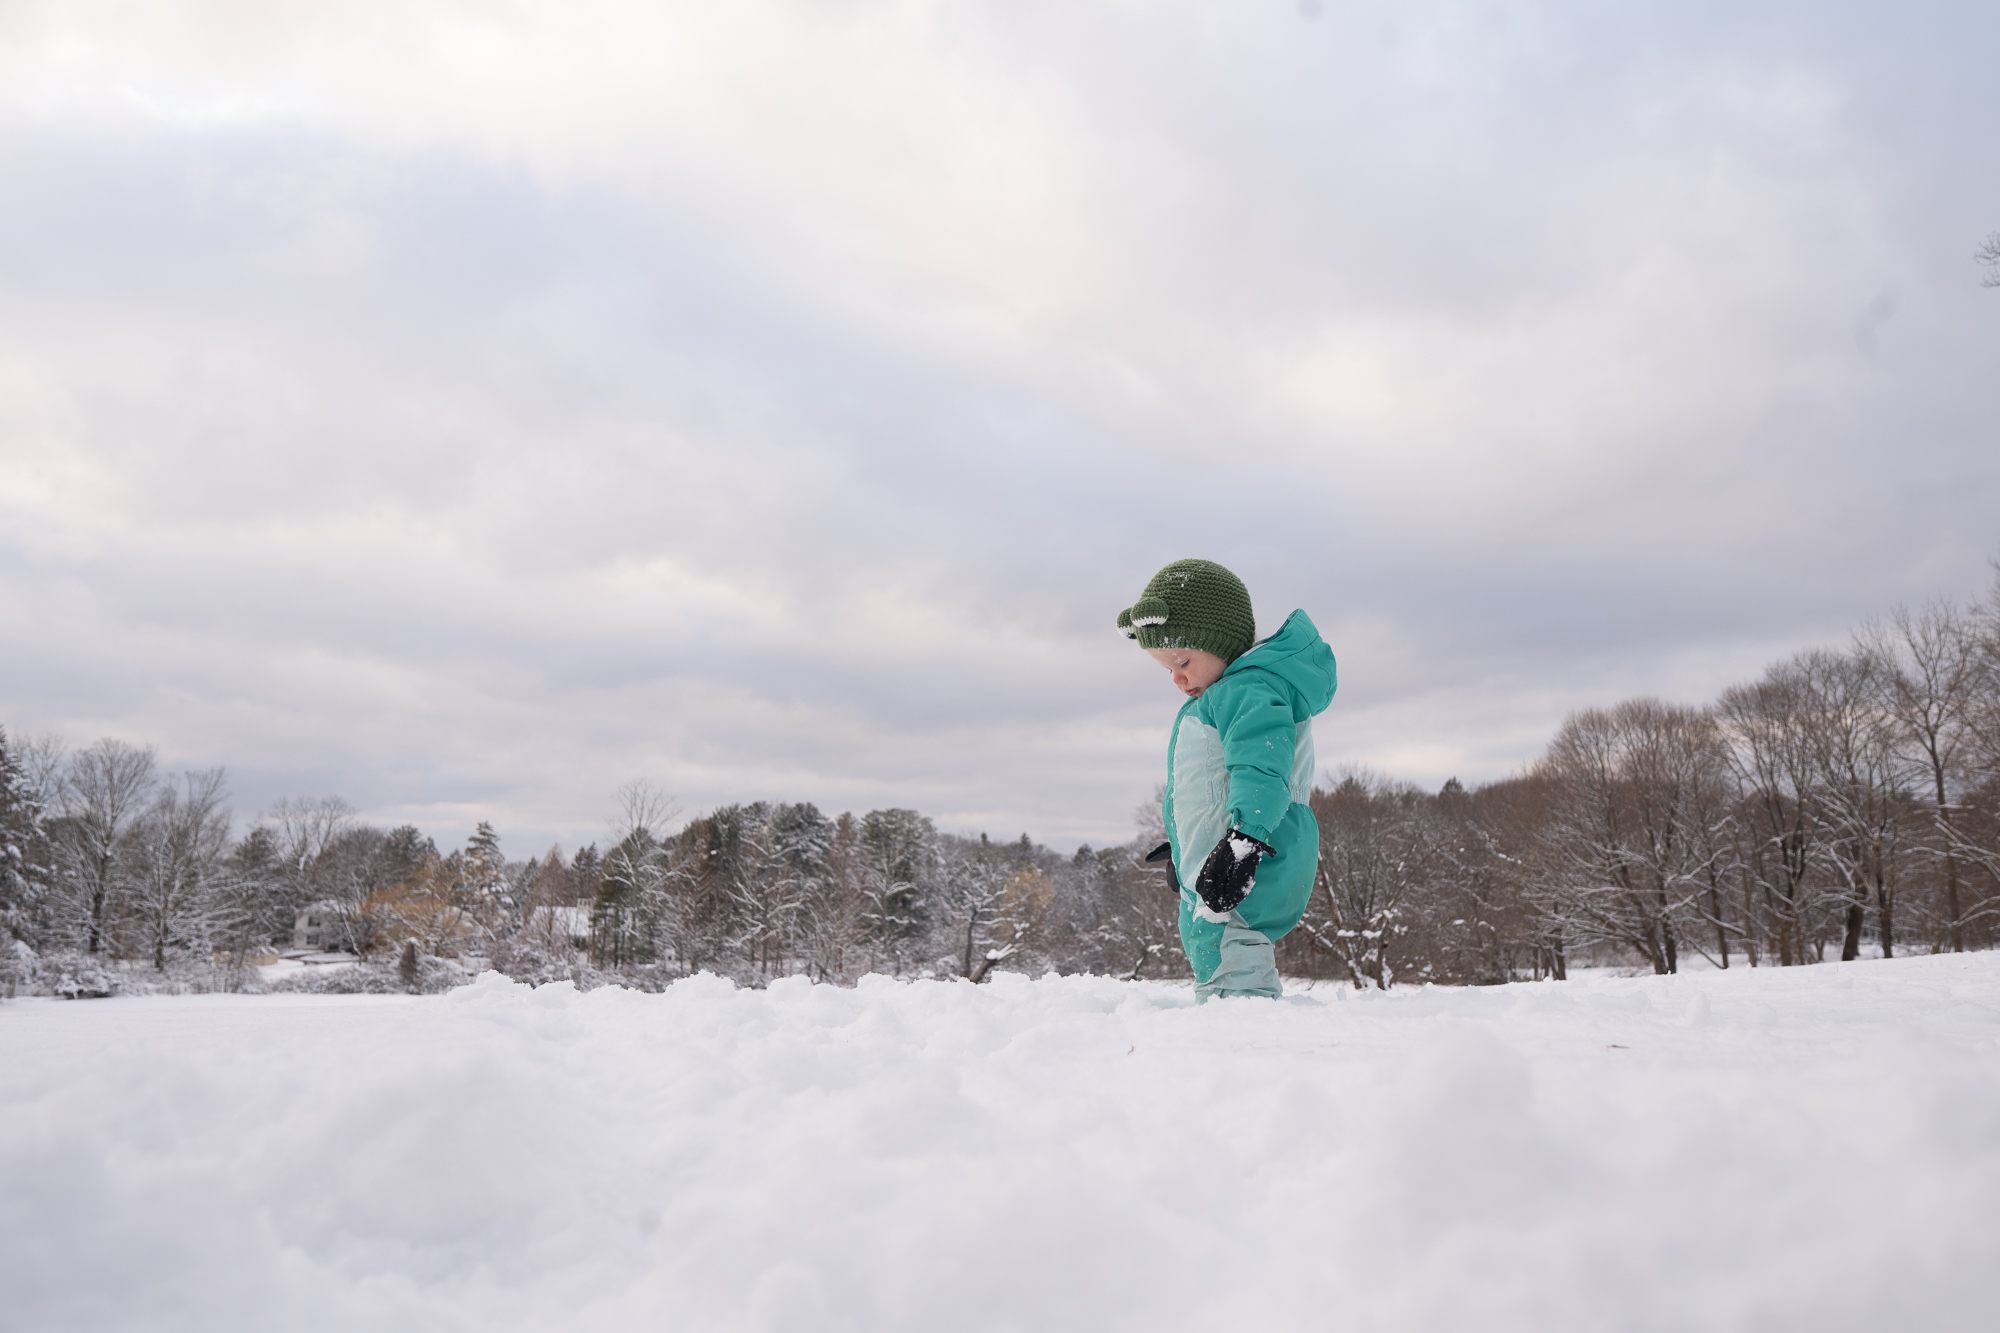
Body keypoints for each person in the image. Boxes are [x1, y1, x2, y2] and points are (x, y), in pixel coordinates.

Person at [1116, 559, 1337, 1000]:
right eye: (1167, 670)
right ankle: (1228, 1021)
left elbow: (1262, 770)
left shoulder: (1247, 691)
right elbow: (1213, 781)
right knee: (1210, 936)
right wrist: (1185, 846)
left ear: (1218, 641)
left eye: (1183, 661)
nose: (1177, 679)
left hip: (1255, 842)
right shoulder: (1231, 694)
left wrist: (1242, 844)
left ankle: (1241, 1033)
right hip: (1238, 841)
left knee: (1224, 941)